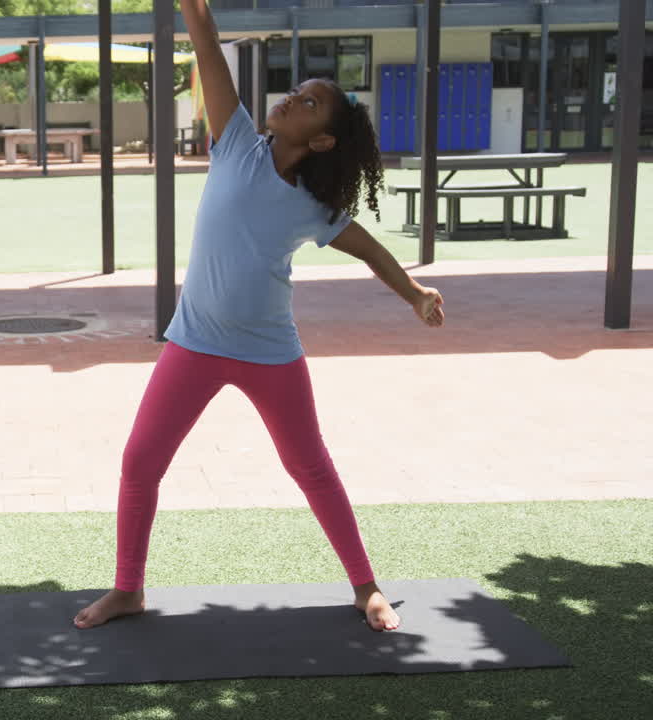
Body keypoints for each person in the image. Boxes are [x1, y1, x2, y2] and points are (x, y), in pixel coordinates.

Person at [73, 0, 445, 633]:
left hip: (270, 352)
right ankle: (129, 589)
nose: (291, 99)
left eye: (308, 104)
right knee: (140, 462)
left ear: (322, 139)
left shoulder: (314, 206)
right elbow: (208, 44)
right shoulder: (236, 142)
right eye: (296, 91)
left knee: (310, 466)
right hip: (193, 343)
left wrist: (413, 292)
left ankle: (367, 587)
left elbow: (370, 249)